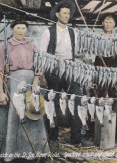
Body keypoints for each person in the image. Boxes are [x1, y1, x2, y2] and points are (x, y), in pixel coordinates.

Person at [0, 19, 50, 162]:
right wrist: (1, 92)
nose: (21, 31)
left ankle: (33, 151)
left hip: (30, 86)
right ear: (12, 30)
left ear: (26, 31)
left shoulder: (32, 46)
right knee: (13, 117)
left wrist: (35, 82)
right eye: (18, 28)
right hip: (12, 86)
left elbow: (39, 67)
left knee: (31, 116)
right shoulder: (5, 47)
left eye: (23, 28)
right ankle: (9, 152)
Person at [39, 0, 92, 149]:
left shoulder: (73, 32)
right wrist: (42, 75)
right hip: (53, 70)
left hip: (70, 70)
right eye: (64, 13)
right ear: (57, 14)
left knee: (78, 100)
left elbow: (76, 52)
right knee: (53, 104)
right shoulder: (48, 32)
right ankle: (53, 138)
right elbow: (42, 55)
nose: (67, 16)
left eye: (69, 13)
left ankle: (76, 138)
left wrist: (87, 48)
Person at [94, 13, 117, 141]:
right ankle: (98, 128)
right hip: (100, 64)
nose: (108, 24)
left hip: (114, 65)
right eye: (106, 21)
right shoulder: (97, 37)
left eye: (111, 22)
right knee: (100, 95)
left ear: (114, 24)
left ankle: (116, 131)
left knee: (114, 97)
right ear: (102, 23)